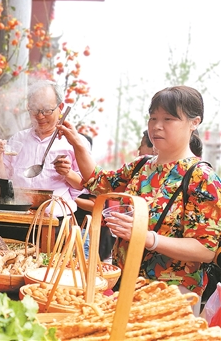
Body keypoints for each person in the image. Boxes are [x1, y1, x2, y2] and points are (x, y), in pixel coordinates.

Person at [58, 85, 221, 316]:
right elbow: (98, 181)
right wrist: (77, 144)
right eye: (153, 117)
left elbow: (205, 248)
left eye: (168, 118)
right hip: (127, 282)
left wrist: (147, 238)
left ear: (194, 123)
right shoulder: (142, 165)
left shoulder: (202, 177)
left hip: (171, 294)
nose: (156, 125)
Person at [0, 79, 90, 219]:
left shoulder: (74, 142)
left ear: (60, 107)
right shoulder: (17, 139)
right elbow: (1, 180)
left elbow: (83, 185)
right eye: (34, 110)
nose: (40, 116)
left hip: (56, 221)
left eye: (46, 110)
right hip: (18, 215)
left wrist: (68, 173)